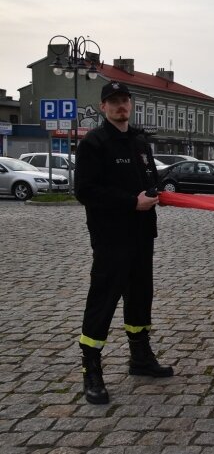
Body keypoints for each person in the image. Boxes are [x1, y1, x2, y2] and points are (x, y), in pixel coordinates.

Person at [74, 81, 174, 405]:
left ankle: (140, 357)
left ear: (131, 105)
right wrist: (131, 202)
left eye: (125, 100)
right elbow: (86, 191)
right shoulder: (94, 143)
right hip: (111, 238)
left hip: (143, 235)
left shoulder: (140, 142)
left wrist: (161, 191)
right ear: (103, 107)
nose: (121, 106)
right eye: (114, 101)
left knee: (140, 297)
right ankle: (91, 370)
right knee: (103, 301)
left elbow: (147, 181)